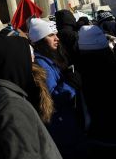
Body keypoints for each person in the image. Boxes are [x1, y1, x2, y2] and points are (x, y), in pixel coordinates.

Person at [0, 36, 62, 159]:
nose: (33, 59)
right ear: (17, 61)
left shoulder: (4, 95)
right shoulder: (12, 106)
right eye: (28, 55)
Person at [28, 18, 87, 159]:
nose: (57, 38)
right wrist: (70, 84)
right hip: (62, 128)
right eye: (51, 35)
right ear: (41, 40)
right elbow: (51, 98)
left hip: (67, 124)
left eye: (55, 34)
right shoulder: (42, 65)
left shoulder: (49, 59)